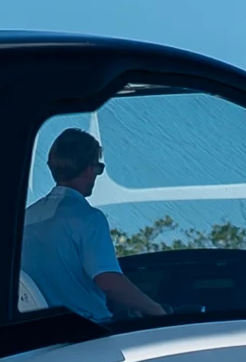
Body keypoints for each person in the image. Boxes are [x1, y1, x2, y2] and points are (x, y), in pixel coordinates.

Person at [20, 127, 167, 322]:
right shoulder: (88, 218)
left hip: (34, 333)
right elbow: (109, 282)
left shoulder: (24, 220)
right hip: (88, 332)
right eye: (98, 169)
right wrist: (157, 310)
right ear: (89, 169)